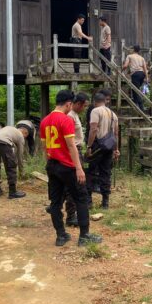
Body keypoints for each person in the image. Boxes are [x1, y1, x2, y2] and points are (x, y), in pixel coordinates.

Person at [40, 90, 102, 247]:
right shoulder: (65, 120)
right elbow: (71, 146)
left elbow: (44, 147)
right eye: (70, 105)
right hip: (68, 166)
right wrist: (79, 168)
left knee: (55, 202)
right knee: (81, 198)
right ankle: (84, 236)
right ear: (68, 103)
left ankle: (61, 236)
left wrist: (49, 163)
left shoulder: (45, 121)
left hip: (52, 165)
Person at [86, 93, 120, 209]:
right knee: (106, 173)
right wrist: (116, 149)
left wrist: (89, 146)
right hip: (109, 146)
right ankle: (105, 202)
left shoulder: (95, 111)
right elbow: (116, 134)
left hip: (97, 145)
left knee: (91, 172)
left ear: (95, 102)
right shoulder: (113, 114)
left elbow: (93, 129)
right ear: (105, 101)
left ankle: (89, 201)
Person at [62, 92, 89, 226]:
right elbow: (70, 141)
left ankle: (60, 207)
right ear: (77, 104)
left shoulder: (75, 115)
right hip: (73, 151)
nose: (84, 109)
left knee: (72, 184)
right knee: (75, 184)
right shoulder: (70, 116)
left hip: (76, 150)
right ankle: (71, 215)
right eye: (84, 106)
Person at [0, 125, 29, 199]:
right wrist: (21, 172)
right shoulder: (20, 136)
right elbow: (20, 155)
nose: (25, 138)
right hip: (3, 142)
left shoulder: (10, 129)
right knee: (11, 166)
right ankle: (12, 192)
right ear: (25, 133)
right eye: (25, 137)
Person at [122, 45, 148, 111]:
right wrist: (147, 78)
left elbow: (125, 66)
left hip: (135, 74)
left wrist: (121, 70)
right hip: (142, 74)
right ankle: (135, 103)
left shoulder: (129, 56)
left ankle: (141, 107)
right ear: (139, 50)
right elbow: (145, 68)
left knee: (136, 90)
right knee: (135, 89)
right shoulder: (142, 58)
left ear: (133, 49)